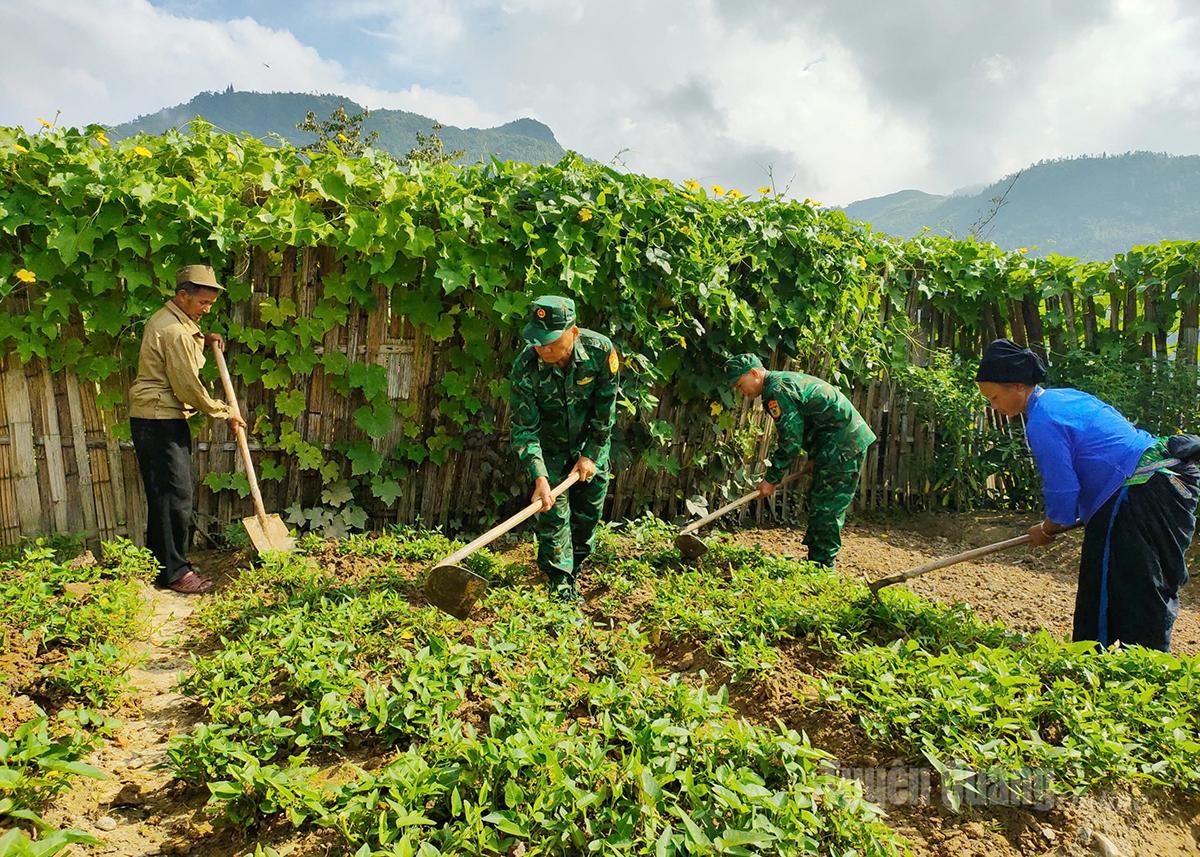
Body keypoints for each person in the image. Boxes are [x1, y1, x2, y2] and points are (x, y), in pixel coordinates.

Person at [976, 338, 1199, 652]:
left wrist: (1048, 529)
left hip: (1137, 491)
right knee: (1147, 588)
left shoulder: (1043, 420)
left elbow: (1063, 491)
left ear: (1017, 386)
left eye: (994, 397)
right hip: (1166, 478)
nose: (993, 406)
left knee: (1112, 591)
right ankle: (1144, 670)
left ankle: (1100, 670)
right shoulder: (1064, 398)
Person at [128, 265, 246, 594]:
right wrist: (225, 411)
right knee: (175, 497)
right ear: (182, 295)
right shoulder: (176, 331)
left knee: (164, 496)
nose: (206, 310)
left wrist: (204, 337)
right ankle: (176, 573)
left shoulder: (177, 323)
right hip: (160, 420)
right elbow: (187, 387)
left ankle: (162, 565)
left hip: (156, 418)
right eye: (202, 304)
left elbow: (182, 344)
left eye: (210, 304)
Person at [509, 295, 619, 600]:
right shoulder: (526, 365)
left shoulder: (601, 353)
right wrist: (539, 477)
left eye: (551, 342)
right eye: (538, 341)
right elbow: (524, 428)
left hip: (590, 446)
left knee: (587, 515)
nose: (543, 348)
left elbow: (605, 410)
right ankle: (560, 582)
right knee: (553, 516)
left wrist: (590, 455)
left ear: (573, 331)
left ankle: (577, 567)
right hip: (550, 450)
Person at [724, 354, 875, 567]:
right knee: (820, 502)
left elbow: (790, 441)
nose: (741, 392)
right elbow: (816, 419)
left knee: (827, 507)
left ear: (754, 373)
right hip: (833, 443)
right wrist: (814, 456)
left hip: (843, 445)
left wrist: (771, 479)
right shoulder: (780, 383)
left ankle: (823, 568)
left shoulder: (777, 391)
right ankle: (816, 563)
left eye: (740, 385)